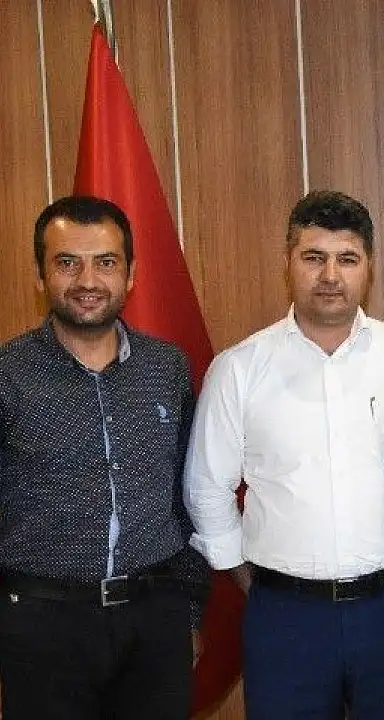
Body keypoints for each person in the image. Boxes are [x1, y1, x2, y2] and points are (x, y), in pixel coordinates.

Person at [183, 190, 384, 718]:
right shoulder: (240, 368)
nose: (330, 275)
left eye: (347, 259)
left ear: (369, 266)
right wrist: (247, 577)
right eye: (313, 257)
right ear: (289, 262)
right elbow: (206, 487)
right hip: (286, 617)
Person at [0, 196, 208, 719]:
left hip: (155, 619)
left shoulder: (167, 368)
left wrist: (187, 610)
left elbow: (189, 495)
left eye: (106, 262)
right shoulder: (8, 374)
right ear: (40, 275)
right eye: (67, 262)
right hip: (42, 625)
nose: (87, 280)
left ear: (131, 274)